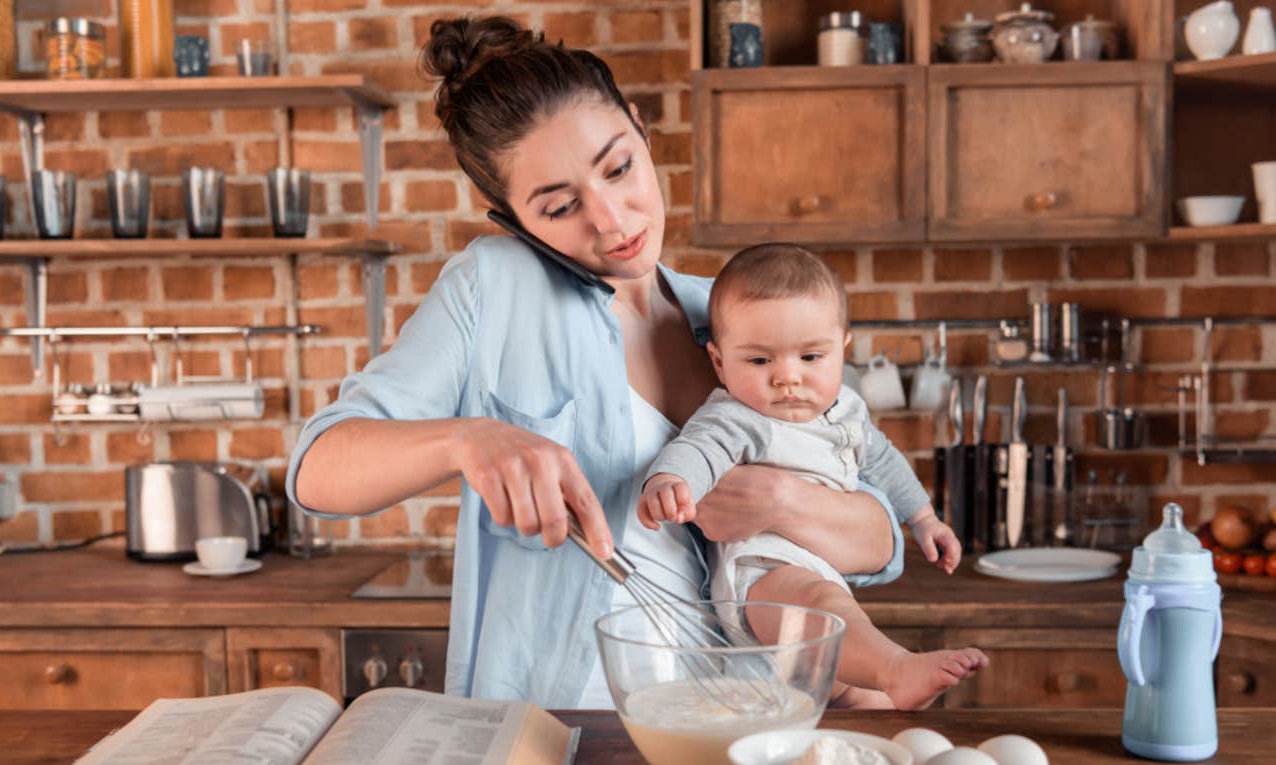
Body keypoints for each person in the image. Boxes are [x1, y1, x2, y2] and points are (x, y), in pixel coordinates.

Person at [286, 15, 907, 710]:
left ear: (641, 131)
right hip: (563, 725)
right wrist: (466, 439)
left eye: (619, 167)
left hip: (745, 719)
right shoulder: (492, 288)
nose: (613, 220)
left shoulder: (733, 318)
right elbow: (317, 468)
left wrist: (784, 500)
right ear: (513, 219)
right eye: (559, 205)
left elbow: (880, 535)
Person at [639, 243, 987, 709]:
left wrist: (924, 519)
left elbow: (884, 463)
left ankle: (890, 703)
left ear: (842, 347)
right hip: (762, 570)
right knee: (821, 603)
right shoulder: (737, 416)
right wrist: (667, 480)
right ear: (719, 361)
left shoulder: (847, 411)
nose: (788, 378)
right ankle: (896, 668)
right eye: (760, 361)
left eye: (810, 357)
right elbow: (698, 451)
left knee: (858, 691)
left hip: (823, 570)